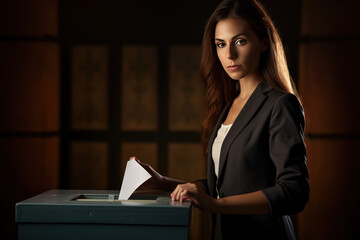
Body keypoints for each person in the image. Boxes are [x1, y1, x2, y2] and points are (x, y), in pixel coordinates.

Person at [134, 0, 309, 239]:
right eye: (220, 44)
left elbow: (294, 192)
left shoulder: (281, 104)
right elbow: (227, 185)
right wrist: (163, 182)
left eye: (240, 41)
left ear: (264, 41)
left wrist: (216, 205)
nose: (229, 54)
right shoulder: (228, 105)